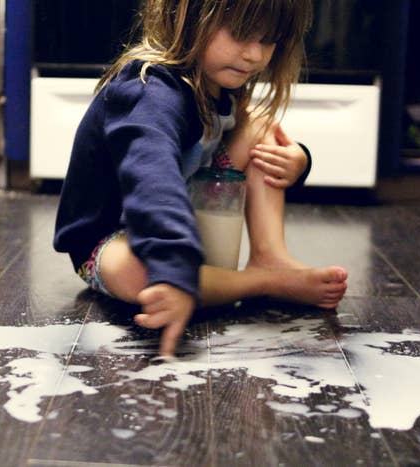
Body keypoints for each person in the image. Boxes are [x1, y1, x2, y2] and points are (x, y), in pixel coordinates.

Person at [54, 0, 348, 358]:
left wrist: (298, 160)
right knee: (147, 274)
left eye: (268, 41)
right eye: (240, 34)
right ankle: (261, 281)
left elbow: (221, 154)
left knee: (259, 124)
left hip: (176, 218)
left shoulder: (217, 82)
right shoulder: (148, 88)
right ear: (185, 15)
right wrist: (174, 268)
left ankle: (270, 256)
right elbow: (153, 180)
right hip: (108, 238)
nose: (254, 55)